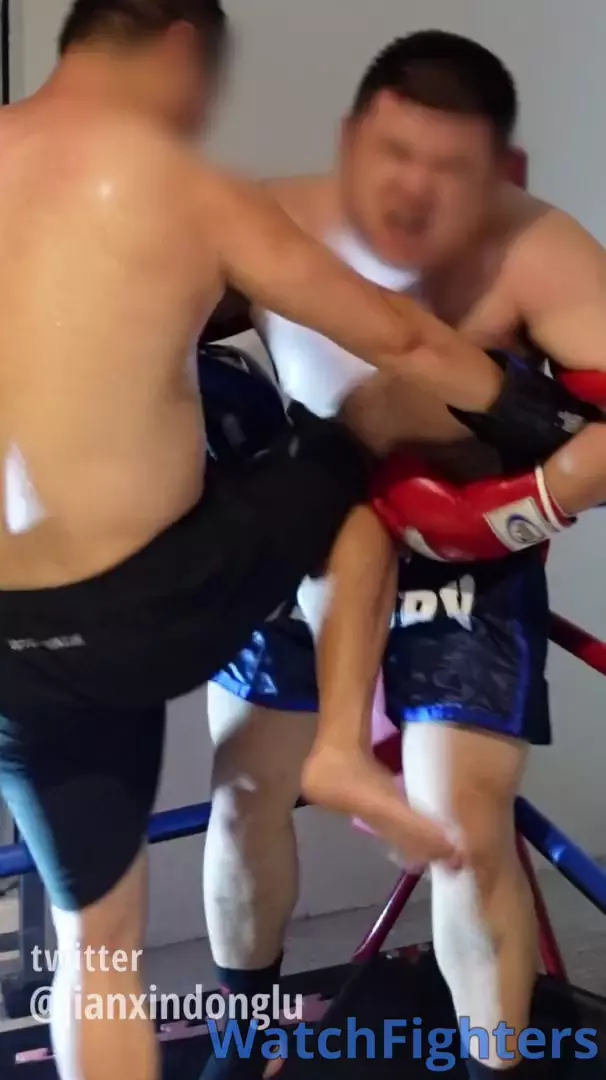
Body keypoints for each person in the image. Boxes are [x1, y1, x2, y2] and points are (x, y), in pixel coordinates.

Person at [0, 5, 572, 1080]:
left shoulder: (545, 254)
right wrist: (527, 418)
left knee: (101, 950)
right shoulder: (215, 200)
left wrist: (538, 487)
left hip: (29, 645)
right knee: (337, 464)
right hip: (187, 590)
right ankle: (328, 785)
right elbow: (391, 336)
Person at [204, 32, 606, 1080]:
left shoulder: (542, 252)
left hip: (463, 547)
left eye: (451, 168)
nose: (415, 191)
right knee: (244, 790)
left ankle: (491, 1069)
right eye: (395, 156)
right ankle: (243, 1047)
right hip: (310, 533)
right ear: (352, 143)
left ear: (501, 170)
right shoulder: (265, 221)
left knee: (462, 828)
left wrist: (522, 507)